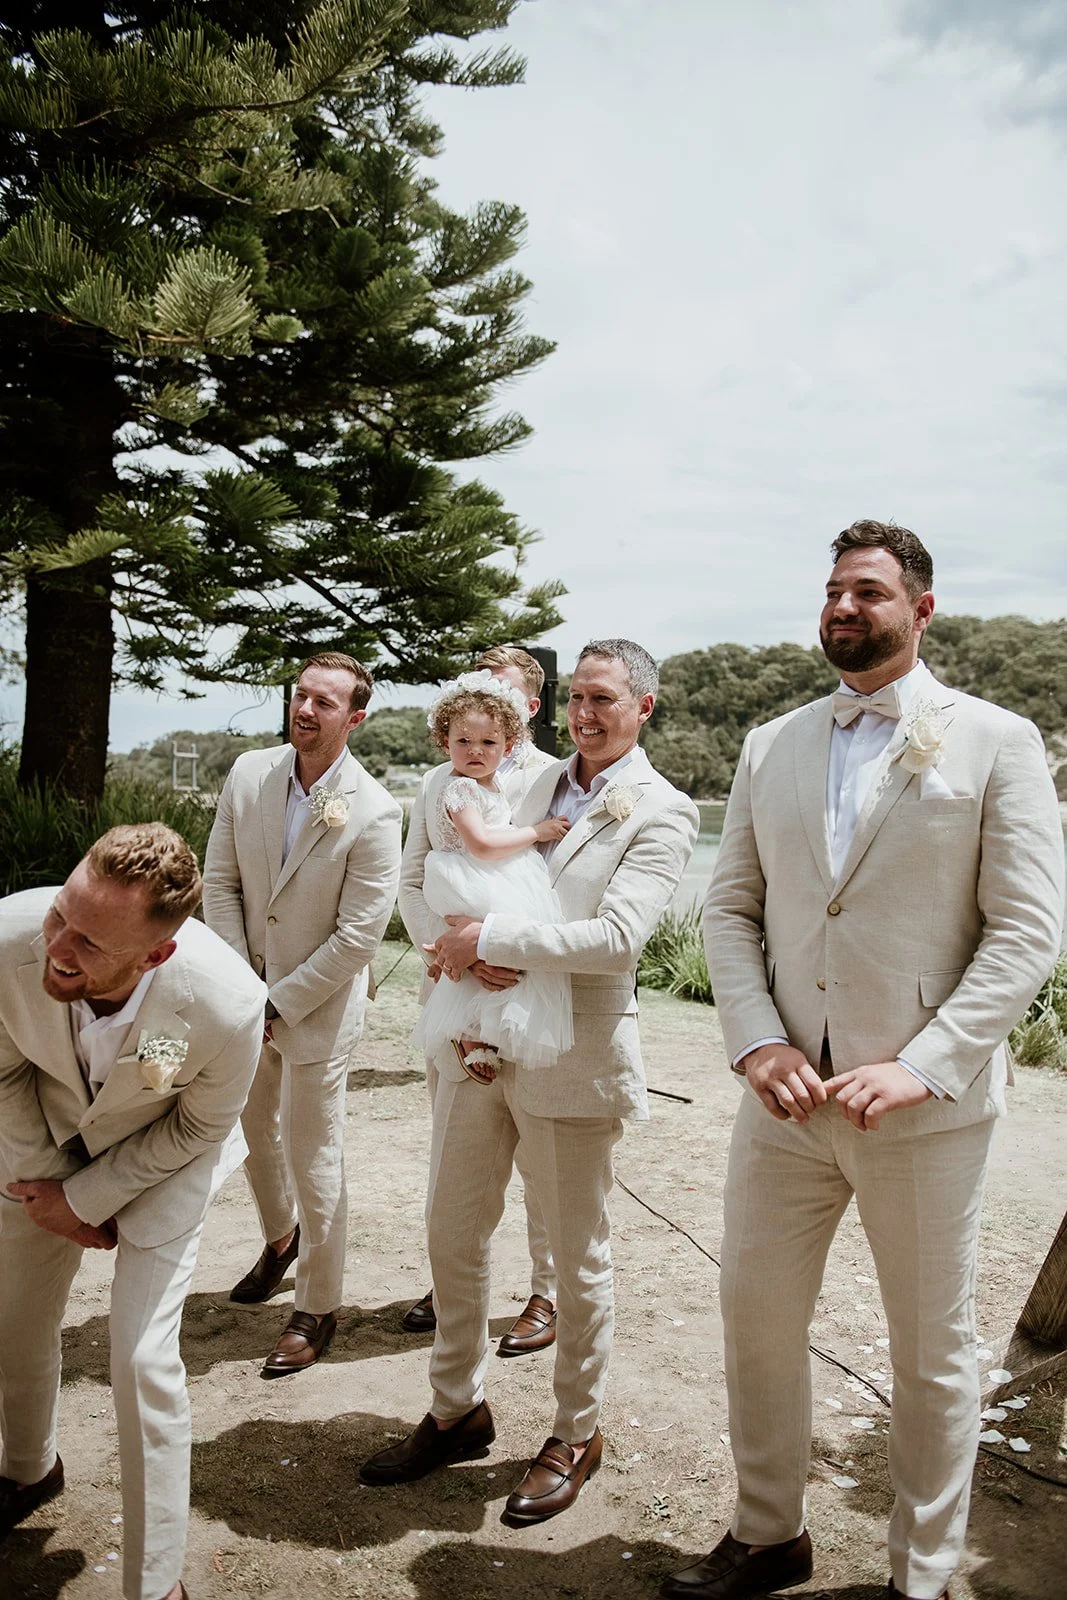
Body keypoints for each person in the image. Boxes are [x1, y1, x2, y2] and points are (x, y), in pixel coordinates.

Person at [665, 522, 1065, 1600]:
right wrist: (753, 1039)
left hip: (922, 1112)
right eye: (833, 588)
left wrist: (926, 1062)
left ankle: (921, 1574)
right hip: (785, 1099)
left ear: (919, 611)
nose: (843, 606)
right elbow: (729, 905)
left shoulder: (995, 739)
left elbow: (1025, 929)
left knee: (930, 1350)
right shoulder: (768, 743)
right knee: (753, 1313)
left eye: (869, 591)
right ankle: (765, 1531)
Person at [360, 638, 699, 1525]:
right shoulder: (522, 777)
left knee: (578, 1261)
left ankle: (574, 1430)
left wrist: (492, 944)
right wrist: (450, 946)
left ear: (642, 708)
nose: (585, 714)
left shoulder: (660, 811)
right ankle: (455, 1408)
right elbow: (438, 869)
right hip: (476, 1041)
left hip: (575, 1056)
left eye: (604, 699)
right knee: (451, 1229)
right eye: (576, 699)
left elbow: (619, 941)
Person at [0, 824, 267, 1600]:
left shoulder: (227, 1005)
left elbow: (198, 1127)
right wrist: (54, 1196)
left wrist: (92, 1199)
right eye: (60, 916)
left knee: (141, 1359)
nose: (58, 947)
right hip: (40, 1142)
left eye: (89, 941)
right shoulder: (10, 938)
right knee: (14, 1319)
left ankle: (156, 1583)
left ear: (155, 955)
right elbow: (4, 1070)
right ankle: (26, 1468)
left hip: (165, 1157)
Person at [203, 651, 402, 1378]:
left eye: (325, 701)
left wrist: (277, 1002)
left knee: (315, 1156)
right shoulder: (248, 773)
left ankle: (317, 1304)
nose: (305, 710)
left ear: (354, 717)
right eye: (300, 696)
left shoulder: (377, 810)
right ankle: (280, 1240)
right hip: (240, 999)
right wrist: (238, 986)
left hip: (315, 1010)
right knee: (255, 1133)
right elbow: (219, 882)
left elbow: (357, 938)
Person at [399, 645, 563, 1355]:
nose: (485, 706)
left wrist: (507, 947)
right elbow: (412, 877)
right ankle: (456, 1281)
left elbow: (564, 882)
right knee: (457, 1151)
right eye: (475, 694)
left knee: (544, 1158)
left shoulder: (556, 779)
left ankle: (545, 1289)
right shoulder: (441, 779)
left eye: (502, 695)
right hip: (458, 981)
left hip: (532, 982)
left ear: (527, 709)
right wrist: (448, 949)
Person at [410, 669, 573, 1076]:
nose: (475, 751)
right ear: (444, 741)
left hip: (500, 872)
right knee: (475, 940)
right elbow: (480, 843)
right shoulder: (456, 785)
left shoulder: (539, 774)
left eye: (487, 742)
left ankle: (497, 1027)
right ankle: (469, 1030)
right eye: (463, 741)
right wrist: (536, 832)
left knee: (509, 947)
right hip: (473, 874)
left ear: (509, 742)